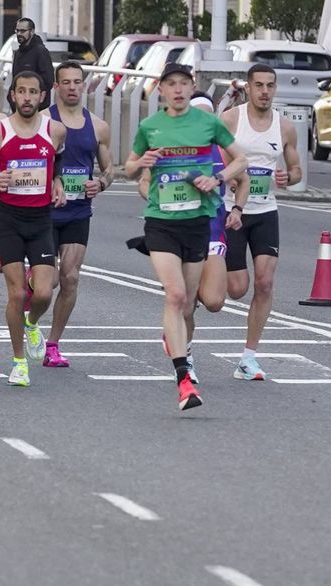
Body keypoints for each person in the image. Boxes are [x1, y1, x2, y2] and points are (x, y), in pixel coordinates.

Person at [124, 63, 247, 412]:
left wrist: (218, 178)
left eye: (183, 83)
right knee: (176, 295)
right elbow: (128, 167)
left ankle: (177, 342)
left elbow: (241, 160)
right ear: (161, 90)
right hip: (161, 222)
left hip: (197, 223)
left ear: (191, 88)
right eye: (171, 84)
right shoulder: (150, 127)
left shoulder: (208, 124)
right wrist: (142, 162)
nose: (177, 90)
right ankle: (183, 380)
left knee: (189, 303)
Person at [0, 71, 68, 388]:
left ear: (42, 96)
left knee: (44, 292)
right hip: (9, 219)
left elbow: (58, 158)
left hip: (41, 220)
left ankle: (32, 322)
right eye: (21, 91)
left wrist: (57, 180)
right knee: (17, 293)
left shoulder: (55, 130)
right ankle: (19, 362)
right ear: (13, 95)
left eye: (33, 92)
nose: (27, 97)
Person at [219, 63, 301, 381]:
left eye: (270, 86)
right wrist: (228, 178)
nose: (265, 91)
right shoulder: (231, 120)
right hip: (231, 212)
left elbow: (296, 170)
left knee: (265, 283)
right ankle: (200, 287)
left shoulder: (284, 127)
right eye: (259, 85)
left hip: (265, 211)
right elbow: (215, 156)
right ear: (249, 88)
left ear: (275, 89)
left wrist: (288, 177)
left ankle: (248, 357)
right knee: (237, 289)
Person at [43, 61, 113, 368]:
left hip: (78, 211)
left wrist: (100, 183)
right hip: (44, 212)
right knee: (47, 283)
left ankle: (52, 344)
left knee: (70, 278)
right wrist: (51, 181)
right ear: (56, 87)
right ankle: (30, 312)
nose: (72, 87)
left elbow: (109, 170)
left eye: (77, 82)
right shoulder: (43, 121)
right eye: (66, 82)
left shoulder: (98, 126)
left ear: (84, 86)